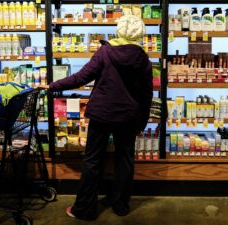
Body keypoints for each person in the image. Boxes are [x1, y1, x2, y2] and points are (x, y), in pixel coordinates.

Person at [45, 15, 153, 220]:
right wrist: (143, 121)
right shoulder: (143, 59)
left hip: (102, 114)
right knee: (125, 160)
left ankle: (85, 209)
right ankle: (120, 205)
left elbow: (81, 77)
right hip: (128, 117)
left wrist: (53, 86)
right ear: (140, 33)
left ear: (119, 30)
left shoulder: (105, 52)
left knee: (93, 160)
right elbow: (146, 95)